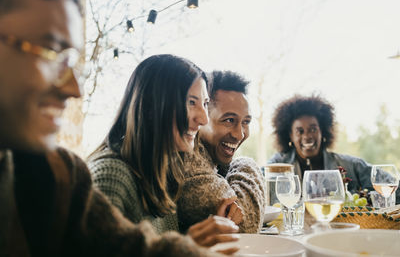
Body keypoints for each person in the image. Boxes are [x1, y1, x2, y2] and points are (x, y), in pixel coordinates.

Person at [0, 0, 228, 256]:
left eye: (71, 61)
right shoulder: (106, 175)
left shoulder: (60, 174)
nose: (74, 89)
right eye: (50, 52)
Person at [88, 54, 240, 253]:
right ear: (152, 107)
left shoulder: (164, 166)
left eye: (204, 103)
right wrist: (187, 247)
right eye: (191, 102)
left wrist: (201, 237)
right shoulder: (111, 176)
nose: (203, 119)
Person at [177, 70, 265, 233]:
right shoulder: (188, 163)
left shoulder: (209, 159)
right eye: (229, 120)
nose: (240, 134)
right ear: (202, 119)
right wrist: (246, 164)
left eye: (245, 122)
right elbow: (246, 227)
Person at [268, 94, 374, 194]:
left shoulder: (349, 165)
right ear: (290, 135)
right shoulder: (277, 164)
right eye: (300, 131)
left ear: (322, 132)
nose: (307, 136)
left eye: (313, 129)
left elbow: (384, 182)